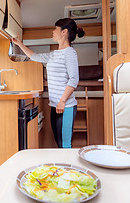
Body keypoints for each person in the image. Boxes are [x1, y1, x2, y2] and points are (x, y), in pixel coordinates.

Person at [12, 18, 84, 148]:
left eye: (55, 29)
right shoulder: (54, 54)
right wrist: (19, 44)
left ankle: (68, 168)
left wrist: (62, 101)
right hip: (55, 105)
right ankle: (62, 168)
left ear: (64, 32)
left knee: (65, 145)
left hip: (65, 106)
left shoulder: (69, 53)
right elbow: (34, 56)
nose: (53, 31)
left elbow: (74, 79)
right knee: (59, 143)